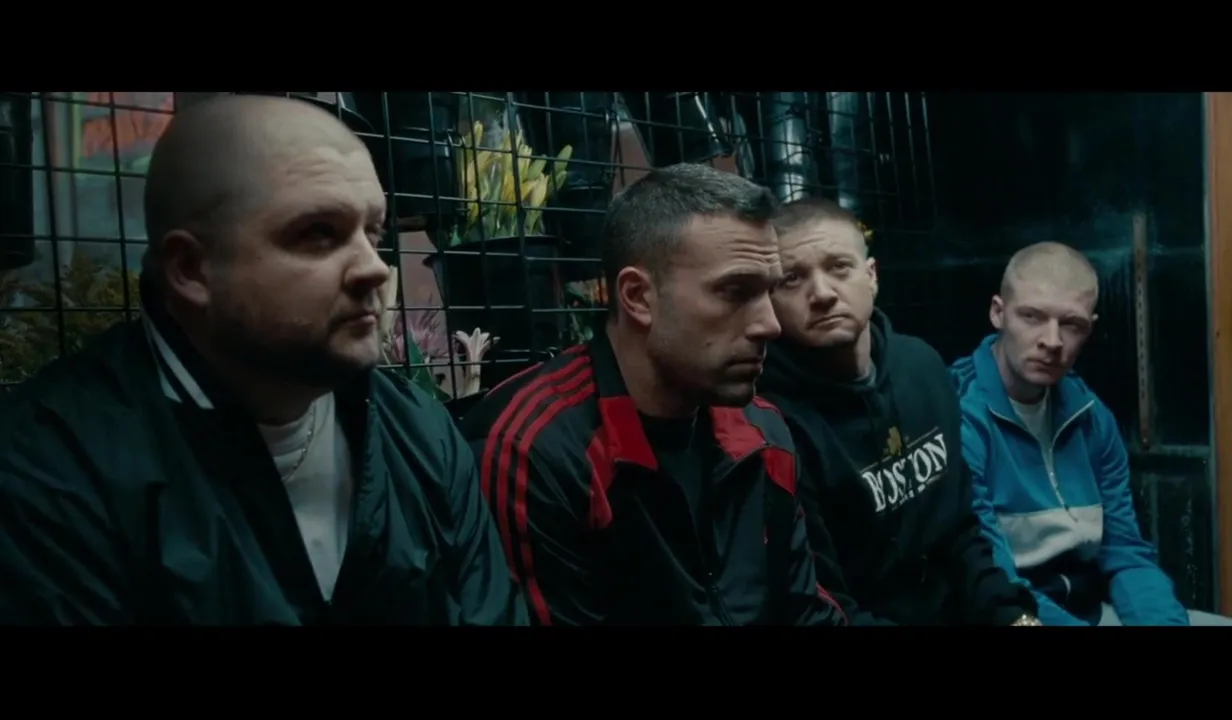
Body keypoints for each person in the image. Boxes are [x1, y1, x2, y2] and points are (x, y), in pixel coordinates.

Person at [0, 95, 526, 626]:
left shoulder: (419, 433)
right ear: (191, 269)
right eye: (318, 234)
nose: (374, 268)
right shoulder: (50, 474)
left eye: (374, 234)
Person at [458, 164, 846, 626]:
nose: (770, 324)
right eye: (734, 291)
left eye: (768, 291)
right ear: (638, 296)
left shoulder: (763, 434)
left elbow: (806, 612)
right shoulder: (534, 451)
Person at [756, 197, 1041, 625]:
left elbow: (959, 530)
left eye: (839, 267)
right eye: (792, 279)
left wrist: (1015, 617)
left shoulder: (921, 367)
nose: (822, 294)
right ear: (770, 299)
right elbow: (818, 603)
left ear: (871, 276)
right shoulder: (770, 421)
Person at [950, 241, 1232, 626]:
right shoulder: (957, 414)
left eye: (1070, 324)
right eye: (1032, 316)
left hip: (1086, 608)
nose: (1052, 340)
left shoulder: (1090, 416)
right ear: (998, 313)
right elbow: (992, 581)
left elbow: (1125, 553)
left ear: (1089, 328)